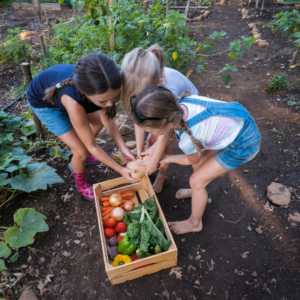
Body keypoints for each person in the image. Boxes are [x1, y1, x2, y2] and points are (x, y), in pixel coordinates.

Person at [130, 86, 261, 235]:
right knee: (199, 166)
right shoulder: (180, 107)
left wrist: (167, 159)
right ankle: (196, 192)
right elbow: (165, 134)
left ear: (168, 124)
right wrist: (151, 153)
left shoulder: (188, 139)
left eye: (151, 131)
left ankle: (194, 223)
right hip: (236, 123)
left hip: (243, 143)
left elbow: (190, 159)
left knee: (196, 180)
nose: (150, 134)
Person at [27, 53, 139, 201]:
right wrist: (120, 169)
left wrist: (123, 148)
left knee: (97, 122)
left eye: (114, 98)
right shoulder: (74, 102)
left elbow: (107, 121)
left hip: (64, 96)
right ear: (86, 93)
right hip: (43, 103)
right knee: (80, 151)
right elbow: (93, 146)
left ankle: (82, 154)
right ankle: (80, 182)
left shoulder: (103, 86)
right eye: (103, 101)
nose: (111, 104)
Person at [121, 45, 198, 193]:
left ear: (158, 83)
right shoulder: (140, 84)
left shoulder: (169, 92)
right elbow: (138, 118)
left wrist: (155, 159)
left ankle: (161, 176)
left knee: (165, 146)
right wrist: (139, 149)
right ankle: (150, 165)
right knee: (151, 141)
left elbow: (165, 135)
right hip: (161, 110)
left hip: (180, 110)